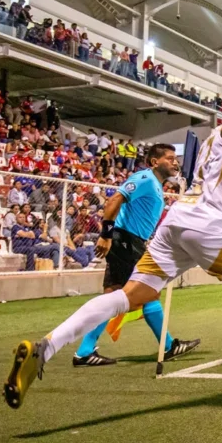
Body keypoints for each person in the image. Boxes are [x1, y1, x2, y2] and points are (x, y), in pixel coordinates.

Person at [4, 95, 222, 409]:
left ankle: (45, 348)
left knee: (129, 295)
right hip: (208, 228)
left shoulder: (219, 148)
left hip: (178, 222)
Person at [70, 143, 199, 367]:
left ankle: (85, 351)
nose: (175, 162)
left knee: (114, 295)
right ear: (154, 162)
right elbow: (114, 201)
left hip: (131, 241)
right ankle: (168, 346)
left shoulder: (156, 186)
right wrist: (106, 235)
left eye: (175, 158)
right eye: (169, 158)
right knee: (147, 292)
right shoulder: (145, 179)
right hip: (125, 241)